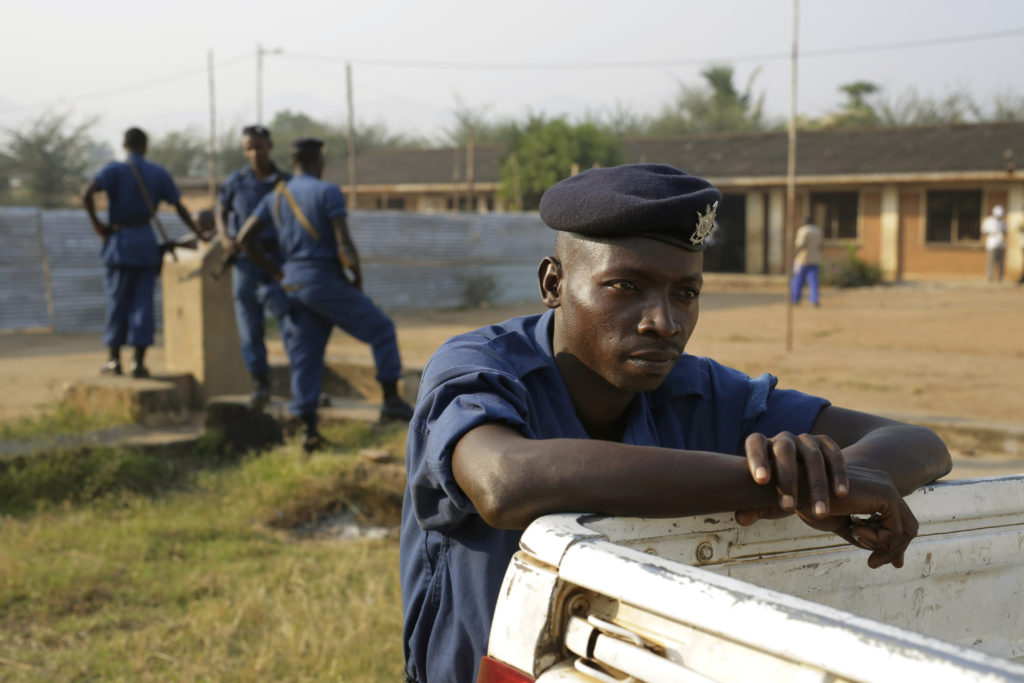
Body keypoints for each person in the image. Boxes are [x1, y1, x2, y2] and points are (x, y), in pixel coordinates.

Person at [399, 164, 952, 683]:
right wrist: (781, 483)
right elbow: (504, 481)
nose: (664, 322)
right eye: (625, 286)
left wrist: (830, 477)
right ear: (553, 284)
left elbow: (918, 443)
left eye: (685, 293)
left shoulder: (698, 388)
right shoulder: (481, 367)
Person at [235, 138, 414, 452]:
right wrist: (356, 279)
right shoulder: (327, 192)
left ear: (294, 162)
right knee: (381, 329)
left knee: (306, 355)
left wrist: (276, 272)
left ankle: (308, 432)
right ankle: (390, 402)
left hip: (291, 285)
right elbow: (344, 245)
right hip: (322, 280)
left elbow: (243, 238)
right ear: (318, 160)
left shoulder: (276, 196)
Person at [83, 127, 207, 377]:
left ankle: (114, 360)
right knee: (143, 304)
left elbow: (87, 193)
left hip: (119, 243)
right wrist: (198, 231)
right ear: (145, 146)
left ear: (124, 145)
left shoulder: (114, 170)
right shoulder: (158, 173)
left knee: (118, 302)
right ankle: (139, 362)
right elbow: (179, 206)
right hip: (146, 243)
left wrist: (98, 224)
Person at [217, 125, 291, 408]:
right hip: (246, 264)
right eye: (248, 147)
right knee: (250, 327)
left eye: (258, 147)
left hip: (278, 261)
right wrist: (224, 237)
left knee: (292, 324)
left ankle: (303, 385)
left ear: (269, 147)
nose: (254, 153)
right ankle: (260, 384)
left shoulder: (286, 182)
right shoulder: (236, 181)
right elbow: (220, 210)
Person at [791, 216, 823, 306]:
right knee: (813, 281)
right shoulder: (818, 231)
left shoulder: (803, 230)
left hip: (802, 260)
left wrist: (793, 255)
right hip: (815, 259)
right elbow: (821, 245)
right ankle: (814, 300)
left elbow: (800, 245)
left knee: (798, 280)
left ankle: (796, 299)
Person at [981, 204, 1007, 282]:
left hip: (1001, 244)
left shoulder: (1003, 222)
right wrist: (993, 232)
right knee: (991, 262)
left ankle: (1000, 278)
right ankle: (990, 277)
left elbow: (1006, 231)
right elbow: (983, 230)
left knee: (1001, 263)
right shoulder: (988, 220)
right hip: (992, 244)